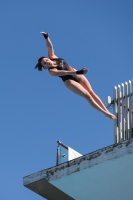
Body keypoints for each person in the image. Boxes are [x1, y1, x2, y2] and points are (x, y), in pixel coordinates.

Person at [35, 32, 116, 120]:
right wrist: (78, 72)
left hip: (76, 73)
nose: (47, 62)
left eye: (46, 60)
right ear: (44, 66)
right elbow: (65, 72)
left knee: (92, 92)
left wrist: (46, 37)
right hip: (70, 81)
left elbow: (50, 47)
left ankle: (107, 111)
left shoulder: (53, 57)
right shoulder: (52, 71)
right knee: (87, 96)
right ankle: (105, 113)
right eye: (45, 63)